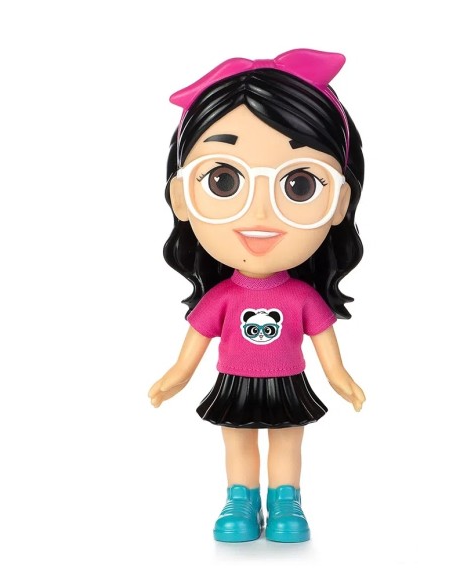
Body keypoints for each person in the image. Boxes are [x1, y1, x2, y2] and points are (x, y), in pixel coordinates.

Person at [148, 49, 366, 543]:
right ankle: (240, 500)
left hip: (288, 382)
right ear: (181, 197)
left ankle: (287, 501)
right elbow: (189, 354)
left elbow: (328, 354)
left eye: (299, 184)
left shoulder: (302, 298)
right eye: (224, 181)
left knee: (288, 443)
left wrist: (342, 380)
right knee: (239, 444)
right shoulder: (222, 298)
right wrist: (174, 378)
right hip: (236, 382)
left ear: (339, 203)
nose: (261, 213)